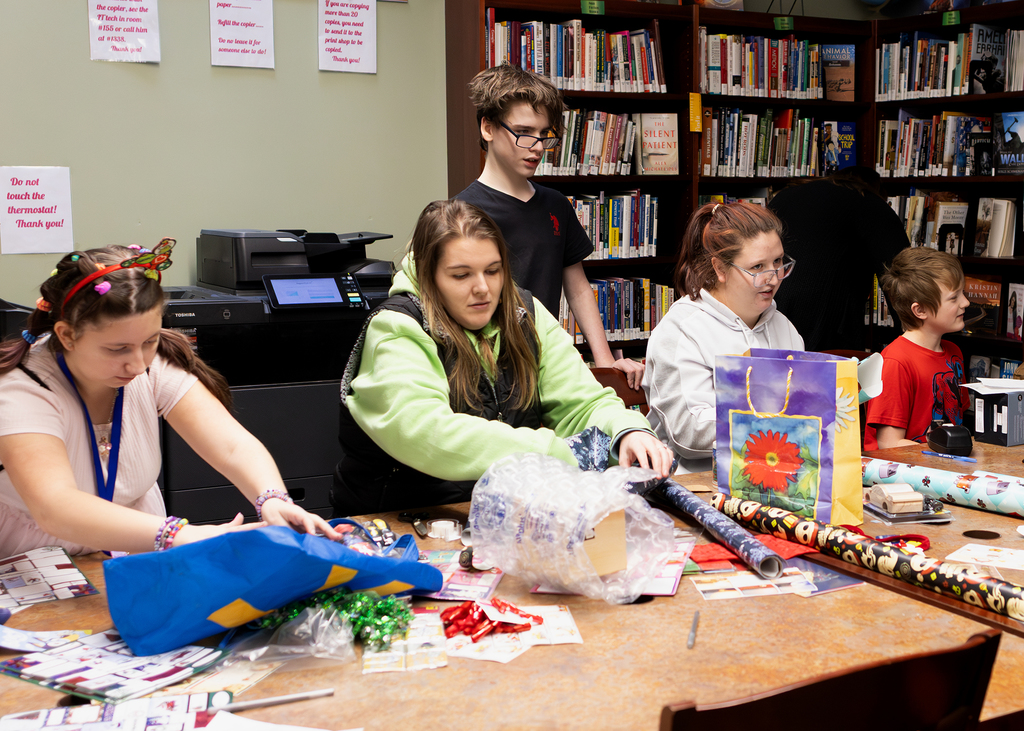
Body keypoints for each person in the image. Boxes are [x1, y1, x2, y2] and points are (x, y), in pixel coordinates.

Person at [331, 200, 672, 516]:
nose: (483, 288)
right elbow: (429, 432)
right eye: (461, 275)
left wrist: (626, 432)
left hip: (499, 515)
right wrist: (558, 452)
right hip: (399, 517)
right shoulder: (396, 327)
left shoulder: (526, 313)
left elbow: (581, 402)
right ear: (429, 276)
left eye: (492, 271)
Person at [0, 241, 340, 557]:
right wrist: (185, 535)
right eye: (117, 349)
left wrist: (272, 498)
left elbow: (232, 446)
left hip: (137, 549)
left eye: (149, 341)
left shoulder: (151, 366)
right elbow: (56, 508)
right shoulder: (22, 391)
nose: (138, 363)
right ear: (67, 335)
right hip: (40, 560)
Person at [453, 64, 645, 390]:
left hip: (545, 365)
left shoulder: (556, 205)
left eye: (545, 134)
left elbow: (578, 287)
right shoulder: (462, 213)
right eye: (525, 132)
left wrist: (606, 363)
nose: (538, 146)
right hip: (485, 374)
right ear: (488, 128)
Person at [642, 202, 804, 473]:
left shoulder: (784, 328)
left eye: (778, 262)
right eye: (758, 267)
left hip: (777, 477)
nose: (774, 279)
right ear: (719, 268)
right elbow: (689, 434)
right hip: (695, 484)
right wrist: (781, 419)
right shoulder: (682, 331)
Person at [768, 166, 909, 352]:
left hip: (771, 308)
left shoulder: (784, 196)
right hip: (829, 325)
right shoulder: (868, 202)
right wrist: (914, 338)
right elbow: (904, 274)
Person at [864, 247, 969, 450]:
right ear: (920, 310)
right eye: (954, 298)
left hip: (947, 469)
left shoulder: (954, 352)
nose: (965, 302)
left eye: (962, 293)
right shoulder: (896, 362)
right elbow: (889, 444)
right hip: (904, 476)